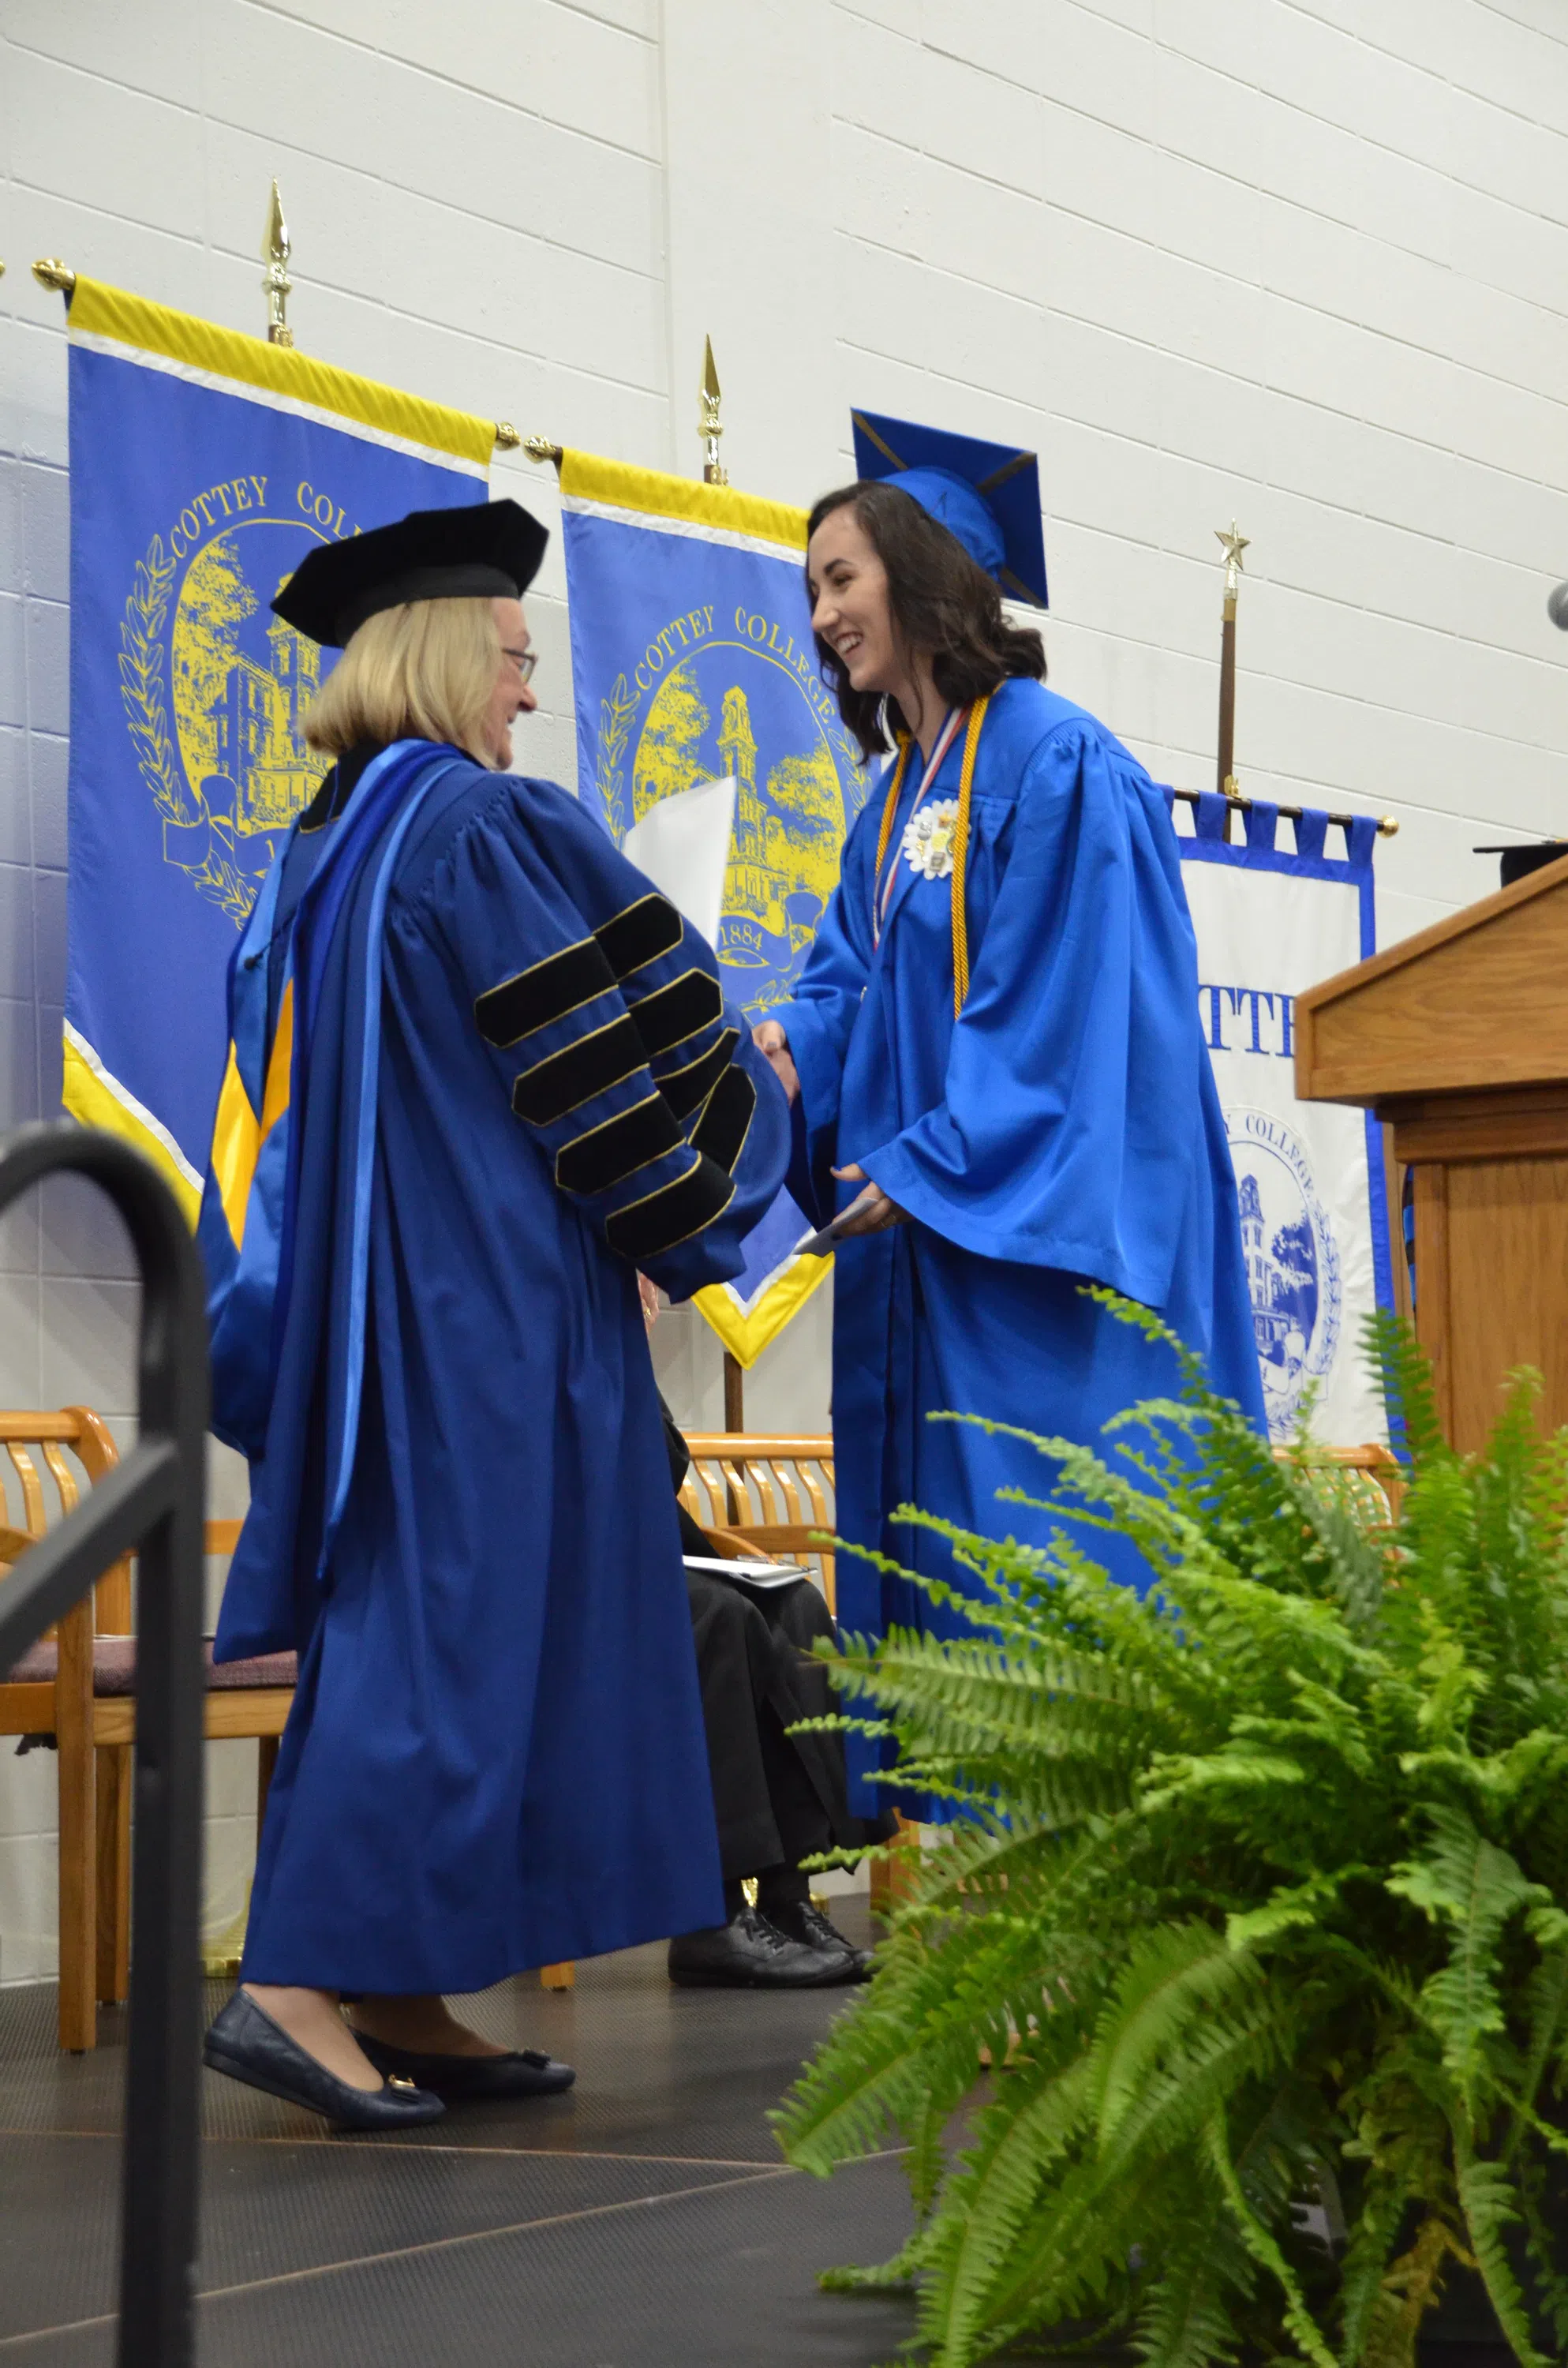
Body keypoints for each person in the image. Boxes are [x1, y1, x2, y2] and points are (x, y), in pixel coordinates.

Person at [197, 500, 791, 2130]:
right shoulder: (466, 828)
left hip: (400, 1319)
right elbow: (594, 1073)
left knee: (452, 1646)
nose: (529, 695)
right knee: (436, 1657)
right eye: (520, 659)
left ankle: (395, 1982)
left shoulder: (321, 851)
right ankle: (291, 1981)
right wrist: (730, 1151)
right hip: (487, 1327)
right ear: (459, 650)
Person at [752, 414, 1266, 1822]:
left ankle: (1083, 1968)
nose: (821, 613)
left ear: (922, 583)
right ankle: (981, 1953)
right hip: (939, 1262)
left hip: (1044, 1277)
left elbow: (1073, 1023)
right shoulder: (887, 804)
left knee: (1055, 1602)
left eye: (841, 578)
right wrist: (786, 1051)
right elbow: (847, 987)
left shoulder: (1056, 763)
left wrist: (929, 1159)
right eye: (810, 590)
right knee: (953, 1618)